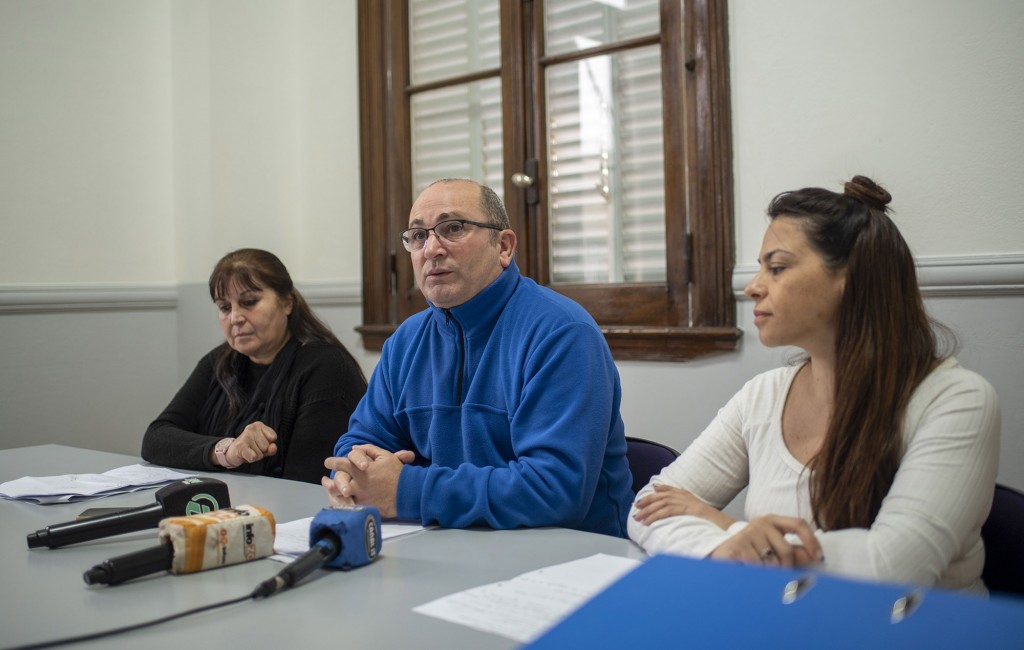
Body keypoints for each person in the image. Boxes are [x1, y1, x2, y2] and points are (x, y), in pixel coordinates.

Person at [628, 176, 1000, 591]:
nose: (752, 288)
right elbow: (647, 507)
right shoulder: (764, 395)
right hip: (786, 616)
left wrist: (727, 526)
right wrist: (722, 549)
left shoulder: (958, 400)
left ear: (851, 278)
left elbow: (891, 568)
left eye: (777, 268)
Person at [321, 178, 634, 537]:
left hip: (575, 554)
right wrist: (352, 475)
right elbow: (362, 442)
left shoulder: (562, 333)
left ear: (503, 246)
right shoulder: (405, 341)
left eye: (453, 228)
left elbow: (555, 490)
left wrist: (406, 490)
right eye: (418, 236)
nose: (431, 249)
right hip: (449, 546)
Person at [142, 248, 367, 484]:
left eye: (249, 302)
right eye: (224, 307)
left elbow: (307, 482)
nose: (235, 318)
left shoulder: (326, 367)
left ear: (287, 302)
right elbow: (156, 439)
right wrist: (226, 451)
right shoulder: (219, 361)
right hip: (225, 501)